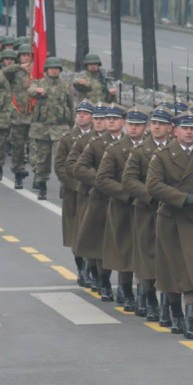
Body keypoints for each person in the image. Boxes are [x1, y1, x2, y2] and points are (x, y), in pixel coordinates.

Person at [146, 111, 193, 340]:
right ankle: (176, 314)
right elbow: (153, 186)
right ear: (175, 130)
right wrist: (184, 198)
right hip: (171, 218)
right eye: (184, 128)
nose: (189, 132)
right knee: (172, 270)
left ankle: (190, 319)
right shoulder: (162, 156)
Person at [122, 106, 173, 324]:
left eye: (161, 124)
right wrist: (151, 195)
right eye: (154, 124)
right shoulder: (140, 151)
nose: (157, 127)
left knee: (170, 258)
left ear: (170, 128)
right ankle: (151, 301)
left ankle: (167, 305)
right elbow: (129, 180)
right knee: (147, 258)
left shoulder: (174, 149)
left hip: (171, 212)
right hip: (147, 211)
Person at [96, 107, 148, 312]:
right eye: (131, 125)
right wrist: (127, 193)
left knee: (145, 250)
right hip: (123, 207)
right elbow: (103, 179)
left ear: (145, 127)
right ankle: (126, 291)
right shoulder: (116, 149)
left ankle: (144, 293)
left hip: (145, 207)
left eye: (138, 125)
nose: (134, 129)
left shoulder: (151, 149)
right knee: (125, 251)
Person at [74, 103, 125, 301]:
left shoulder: (131, 144)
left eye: (114, 118)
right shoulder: (95, 144)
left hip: (122, 200)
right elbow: (79, 168)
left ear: (122, 122)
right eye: (107, 118)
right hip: (100, 199)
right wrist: (103, 182)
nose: (110, 121)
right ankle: (102, 280)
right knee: (100, 244)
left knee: (123, 244)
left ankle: (124, 286)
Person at [54, 100, 94, 285]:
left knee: (90, 230)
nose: (81, 116)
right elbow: (60, 166)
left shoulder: (97, 137)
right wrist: (75, 185)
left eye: (85, 113)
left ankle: (90, 268)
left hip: (93, 191)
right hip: (73, 193)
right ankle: (81, 268)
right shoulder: (68, 138)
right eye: (79, 113)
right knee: (74, 232)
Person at [28, 57, 74, 200]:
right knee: (42, 159)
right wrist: (37, 90)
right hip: (43, 128)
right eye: (51, 68)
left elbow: (70, 105)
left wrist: (71, 126)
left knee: (62, 158)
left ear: (59, 70)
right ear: (46, 70)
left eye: (56, 68)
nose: (54, 70)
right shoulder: (40, 83)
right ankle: (42, 186)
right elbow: (30, 90)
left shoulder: (65, 85)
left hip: (60, 128)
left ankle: (63, 185)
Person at [3, 43, 33, 189]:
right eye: (23, 55)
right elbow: (4, 73)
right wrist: (20, 67)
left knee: (36, 149)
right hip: (19, 115)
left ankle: (39, 175)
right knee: (18, 147)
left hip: (35, 116)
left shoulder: (38, 70)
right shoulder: (14, 71)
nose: (26, 57)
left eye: (28, 55)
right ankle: (18, 173)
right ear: (19, 57)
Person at [0, 54, 11, 182]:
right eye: (6, 59)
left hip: (2, 118)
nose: (9, 62)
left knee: (0, 145)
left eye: (12, 60)